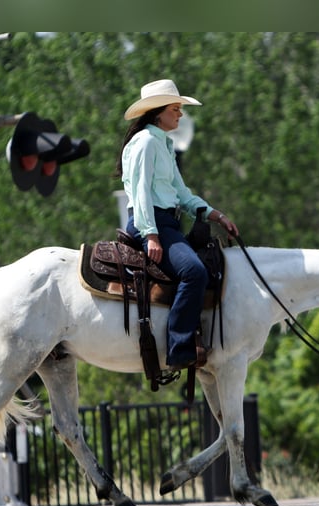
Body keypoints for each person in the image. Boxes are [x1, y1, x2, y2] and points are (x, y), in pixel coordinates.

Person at [116, 79, 239, 371]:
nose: (180, 114)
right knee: (194, 272)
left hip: (166, 223)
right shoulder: (146, 142)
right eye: (176, 108)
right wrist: (151, 235)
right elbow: (142, 191)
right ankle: (179, 347)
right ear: (158, 112)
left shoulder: (162, 143)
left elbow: (181, 193)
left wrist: (215, 215)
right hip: (153, 223)